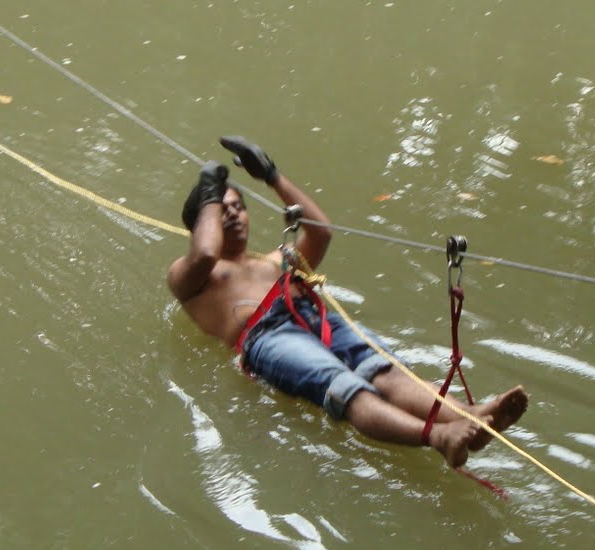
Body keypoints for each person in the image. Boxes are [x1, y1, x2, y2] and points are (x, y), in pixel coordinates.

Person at [167, 136, 527, 469]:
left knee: (385, 372)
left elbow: (321, 232)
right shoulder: (192, 276)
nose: (232, 213)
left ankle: (470, 417)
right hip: (268, 337)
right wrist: (209, 188)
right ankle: (438, 436)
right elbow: (205, 252)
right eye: (220, 210)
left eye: (238, 206)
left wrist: (273, 176)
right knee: (346, 388)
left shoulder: (276, 261)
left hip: (315, 319)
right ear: (200, 225)